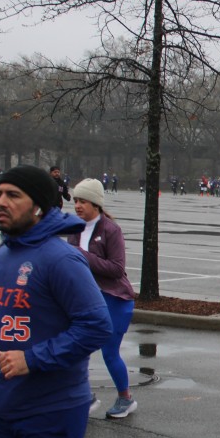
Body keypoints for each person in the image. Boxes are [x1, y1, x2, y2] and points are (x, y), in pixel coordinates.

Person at [0, 166, 112, 438]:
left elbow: (97, 326)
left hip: (51, 410)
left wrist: (31, 359)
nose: (0, 201)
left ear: (39, 206)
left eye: (13, 195)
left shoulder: (61, 259)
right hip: (0, 411)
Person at [67, 178, 138, 419]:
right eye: (76, 200)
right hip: (87, 299)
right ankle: (84, 396)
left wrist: (82, 255)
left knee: (109, 352)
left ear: (96, 204)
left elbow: (117, 269)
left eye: (83, 201)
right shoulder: (75, 229)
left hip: (115, 299)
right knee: (77, 349)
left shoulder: (110, 230)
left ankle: (126, 398)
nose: (77, 205)